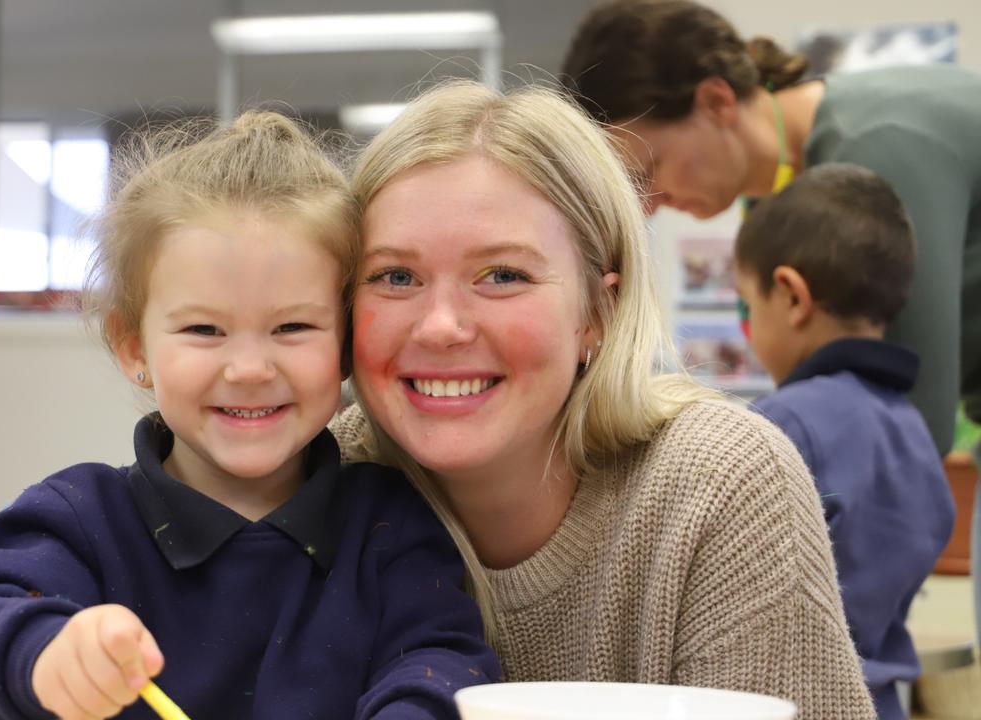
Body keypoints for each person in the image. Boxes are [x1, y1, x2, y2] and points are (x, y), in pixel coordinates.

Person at [0, 111, 499, 720]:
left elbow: (441, 661)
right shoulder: (79, 520)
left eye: (293, 327)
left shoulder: (389, 525)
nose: (249, 368)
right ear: (133, 346)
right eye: (205, 329)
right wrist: (42, 655)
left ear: (346, 345)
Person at [330, 80, 876, 720]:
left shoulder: (717, 486)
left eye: (503, 275)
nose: (440, 327)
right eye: (396, 277)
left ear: (599, 311)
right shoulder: (315, 483)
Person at [559, 0, 981, 463]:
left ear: (716, 101)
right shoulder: (783, 201)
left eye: (646, 171)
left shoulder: (878, 148)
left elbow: (915, 427)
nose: (645, 208)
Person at [734, 163, 955, 719]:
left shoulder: (783, 424)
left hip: (799, 702)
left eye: (748, 306)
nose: (749, 326)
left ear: (790, 296)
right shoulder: (914, 431)